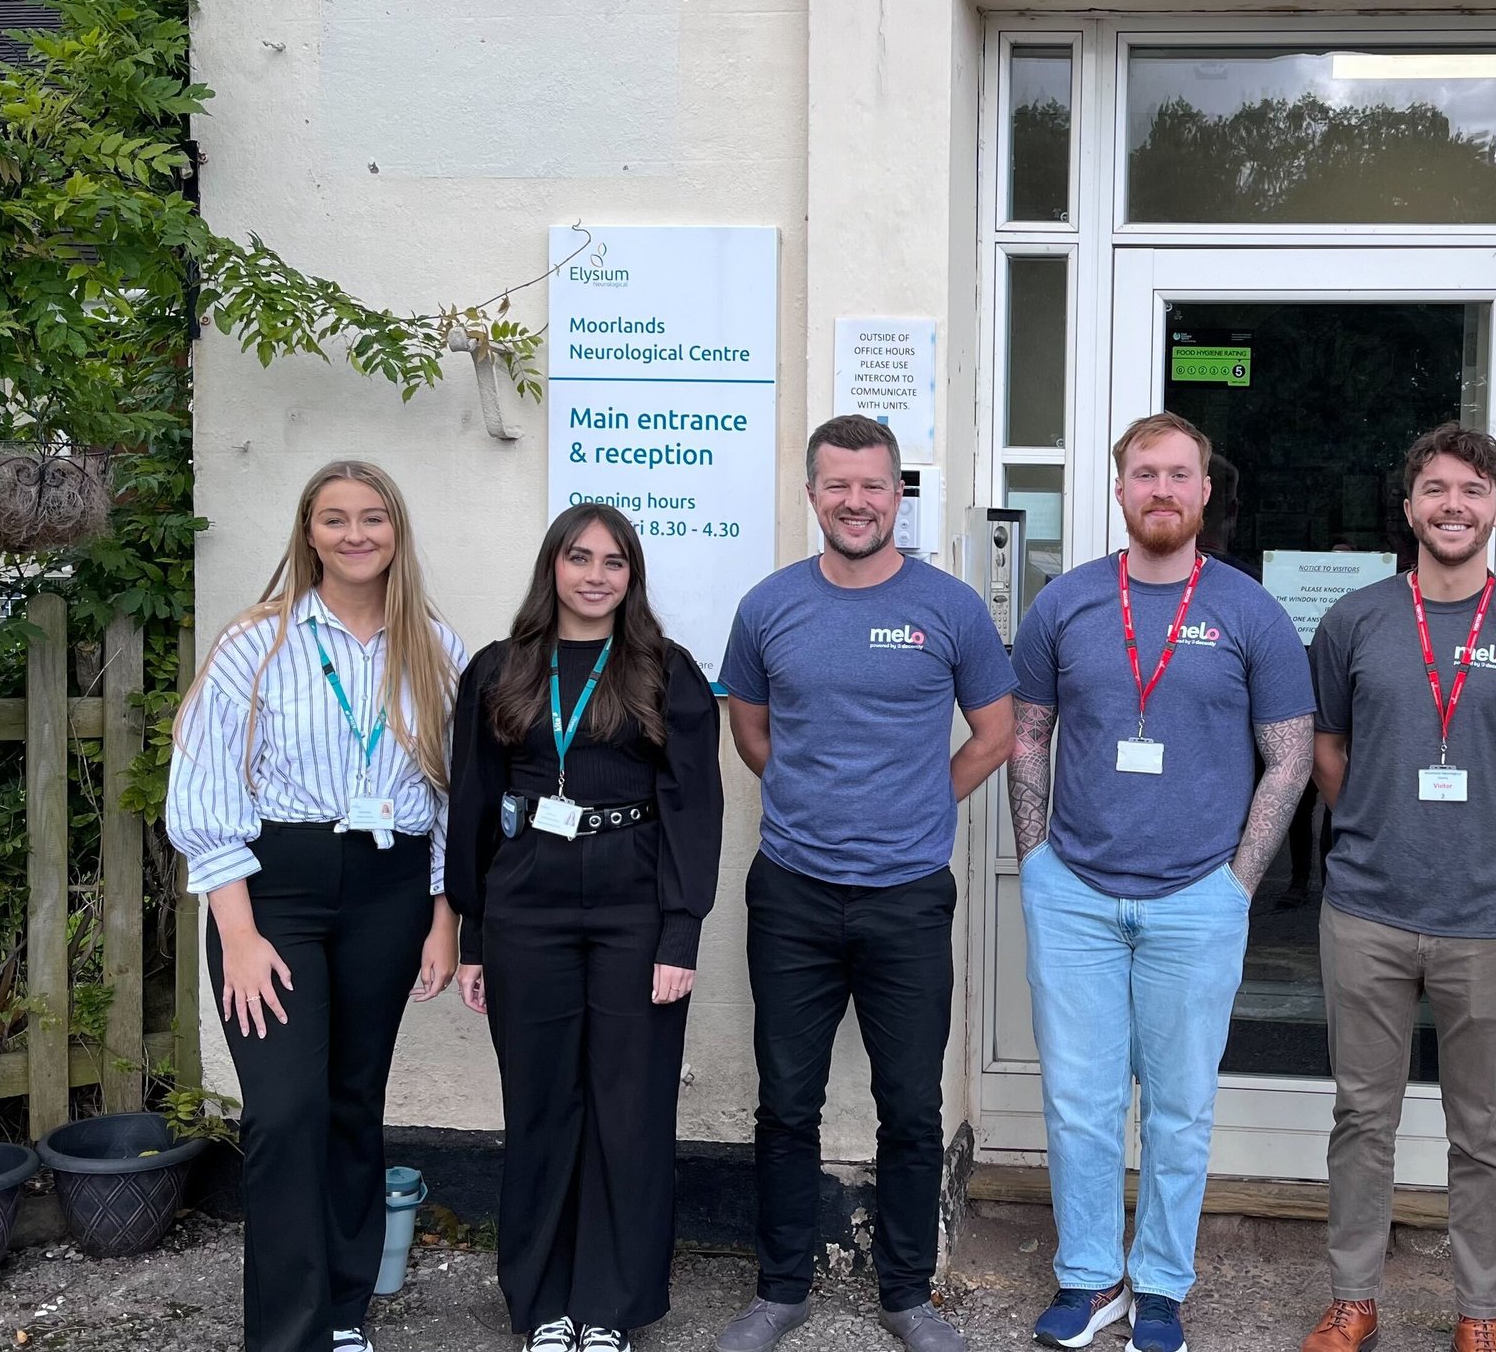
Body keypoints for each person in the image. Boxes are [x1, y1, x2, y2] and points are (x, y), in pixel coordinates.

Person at [1007, 412, 1317, 1352]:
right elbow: (1026, 734)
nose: (1163, 490)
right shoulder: (1065, 603)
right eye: (1145, 473)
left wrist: (1236, 882)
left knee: (1181, 1105)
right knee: (1080, 1098)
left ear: (1205, 490)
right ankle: (1090, 1278)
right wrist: (1035, 861)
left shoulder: (1247, 609)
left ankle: (1163, 1287)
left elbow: (1291, 757)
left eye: (1179, 474)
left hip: (1196, 899)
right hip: (1078, 896)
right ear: (1119, 487)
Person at [715, 416, 1015, 1352]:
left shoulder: (951, 607)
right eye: (837, 486)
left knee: (912, 1106)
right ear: (813, 495)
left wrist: (924, 799)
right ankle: (781, 1290)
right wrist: (817, 799)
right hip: (795, 891)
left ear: (898, 496)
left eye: (873, 486)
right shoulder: (770, 606)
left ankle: (906, 1294)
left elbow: (997, 732)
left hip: (908, 896)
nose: (855, 502)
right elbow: (752, 732)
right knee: (785, 1101)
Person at [1299, 426, 1496, 1352]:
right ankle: (1355, 1299)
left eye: (1471, 489)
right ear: (1410, 507)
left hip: (1488, 921)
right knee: (1362, 1117)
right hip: (1368, 911)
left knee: (1481, 1128)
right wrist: (1382, 832)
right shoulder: (1358, 620)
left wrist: (1488, 844)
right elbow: (1328, 752)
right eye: (1435, 489)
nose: (1452, 505)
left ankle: (1480, 1313)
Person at [166, 461, 465, 1352]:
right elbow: (205, 787)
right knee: (284, 1109)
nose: (355, 534)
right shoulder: (254, 643)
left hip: (391, 891)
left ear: (396, 532)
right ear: (308, 533)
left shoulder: (436, 647)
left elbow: (456, 796)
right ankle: (286, 1334)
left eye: (373, 518)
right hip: (275, 889)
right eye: (334, 519)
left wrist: (444, 919)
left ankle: (343, 1311)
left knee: (350, 1104)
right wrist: (240, 933)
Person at [445, 503, 722, 1352]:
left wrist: (681, 935)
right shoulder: (499, 669)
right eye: (579, 558)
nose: (595, 576)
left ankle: (608, 1303)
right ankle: (543, 1304)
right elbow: (473, 807)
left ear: (631, 577)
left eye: (613, 562)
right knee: (541, 1105)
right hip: (527, 905)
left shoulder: (663, 670)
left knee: (627, 1108)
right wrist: (473, 937)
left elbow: (693, 808)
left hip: (633, 906)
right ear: (552, 568)